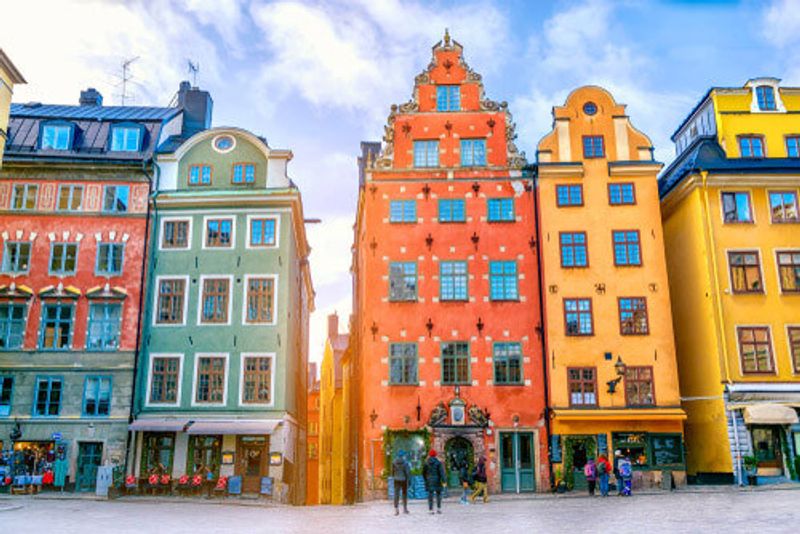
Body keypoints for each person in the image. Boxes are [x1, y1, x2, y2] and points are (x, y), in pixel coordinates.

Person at [422, 449, 445, 514]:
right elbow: (441, 472)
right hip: (437, 480)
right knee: (438, 494)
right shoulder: (438, 463)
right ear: (435, 455)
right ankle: (438, 508)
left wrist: (426, 479)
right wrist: (444, 480)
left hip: (429, 480)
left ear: (429, 455)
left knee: (430, 495)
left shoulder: (426, 463)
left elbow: (423, 472)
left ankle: (431, 509)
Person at [392, 451, 411, 515]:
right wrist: (409, 480)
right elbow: (407, 472)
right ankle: (405, 508)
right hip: (404, 480)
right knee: (404, 494)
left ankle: (396, 509)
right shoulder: (405, 463)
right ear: (403, 456)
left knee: (396, 494)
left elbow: (392, 471)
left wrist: (394, 476)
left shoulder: (394, 462)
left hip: (396, 479)